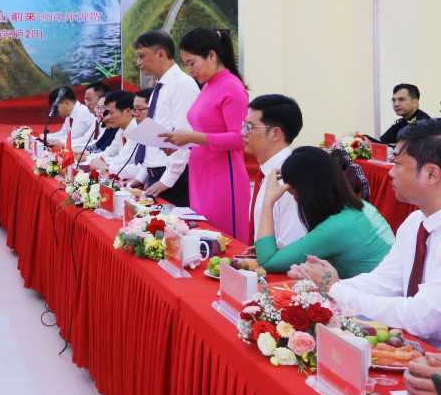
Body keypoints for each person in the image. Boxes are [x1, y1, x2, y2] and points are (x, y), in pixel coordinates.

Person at [291, 119, 441, 345]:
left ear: (431, 174)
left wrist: (336, 289)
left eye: (397, 164)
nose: (390, 173)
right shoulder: (415, 222)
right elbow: (385, 282)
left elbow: (422, 318)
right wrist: (323, 284)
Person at [254, 146, 394, 278]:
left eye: (294, 193)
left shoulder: (337, 227)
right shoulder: (359, 207)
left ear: (308, 192)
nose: (296, 200)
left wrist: (268, 201)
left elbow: (267, 261)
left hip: (373, 293)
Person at [160, 29, 245, 224]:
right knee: (202, 231)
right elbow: (206, 132)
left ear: (212, 55)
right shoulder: (207, 86)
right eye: (186, 64)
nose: (189, 69)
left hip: (223, 175)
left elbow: (239, 138)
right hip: (201, 172)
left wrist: (191, 137)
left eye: (192, 63)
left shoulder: (231, 87)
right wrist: (179, 143)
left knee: (220, 235)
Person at [129, 31, 200, 206]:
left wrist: (167, 180)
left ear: (161, 54)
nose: (138, 62)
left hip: (174, 176)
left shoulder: (182, 84)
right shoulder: (159, 87)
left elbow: (184, 136)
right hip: (156, 173)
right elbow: (154, 137)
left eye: (142, 56)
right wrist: (142, 176)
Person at [242, 94, 307, 246]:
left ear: (275, 133)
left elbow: (291, 247)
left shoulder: (290, 178)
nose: (242, 132)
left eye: (249, 127)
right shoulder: (267, 172)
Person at [89, 91, 140, 179]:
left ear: (128, 111)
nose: (108, 117)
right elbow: (110, 151)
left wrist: (104, 164)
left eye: (111, 113)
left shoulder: (137, 130)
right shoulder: (121, 130)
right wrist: (99, 159)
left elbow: (123, 161)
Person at [45, 86, 96, 154]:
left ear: (66, 103)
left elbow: (73, 138)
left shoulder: (82, 113)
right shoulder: (71, 114)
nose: (56, 112)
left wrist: (57, 141)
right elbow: (63, 133)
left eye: (56, 108)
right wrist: (44, 137)